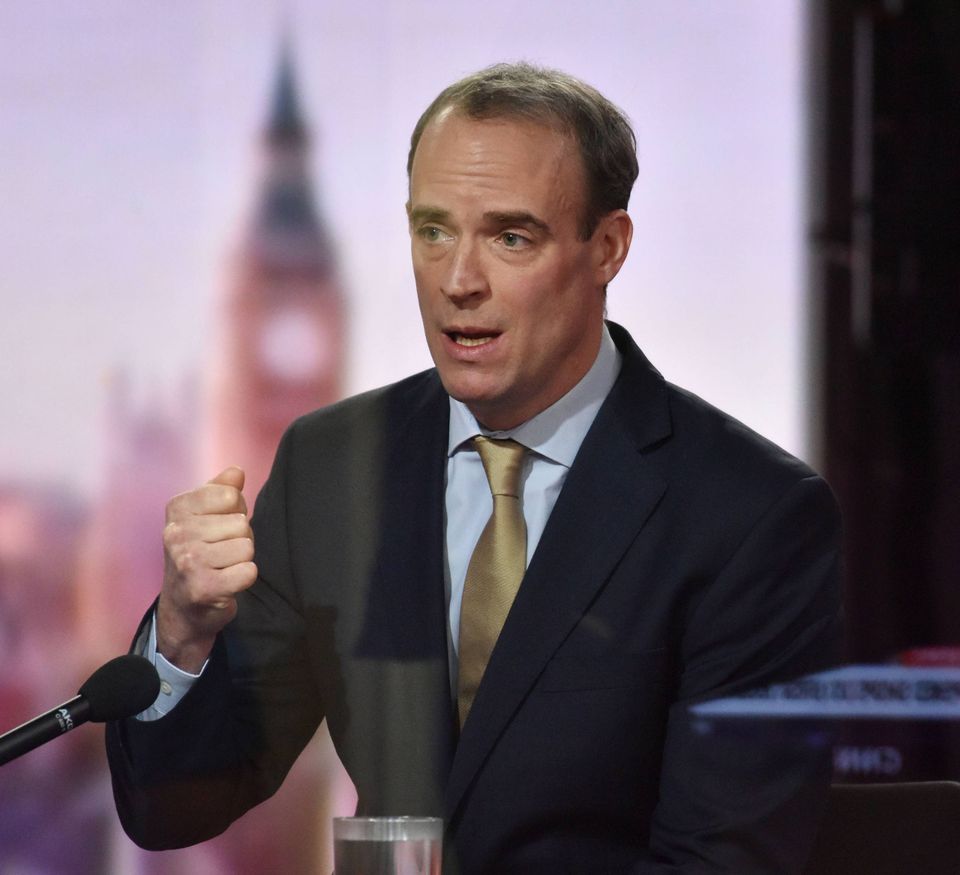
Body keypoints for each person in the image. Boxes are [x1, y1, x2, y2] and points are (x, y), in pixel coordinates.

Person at [107, 63, 842, 874]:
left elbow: (723, 860)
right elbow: (174, 806)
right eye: (433, 231)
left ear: (607, 248)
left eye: (510, 238)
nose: (458, 282)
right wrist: (182, 632)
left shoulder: (750, 515)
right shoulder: (330, 467)